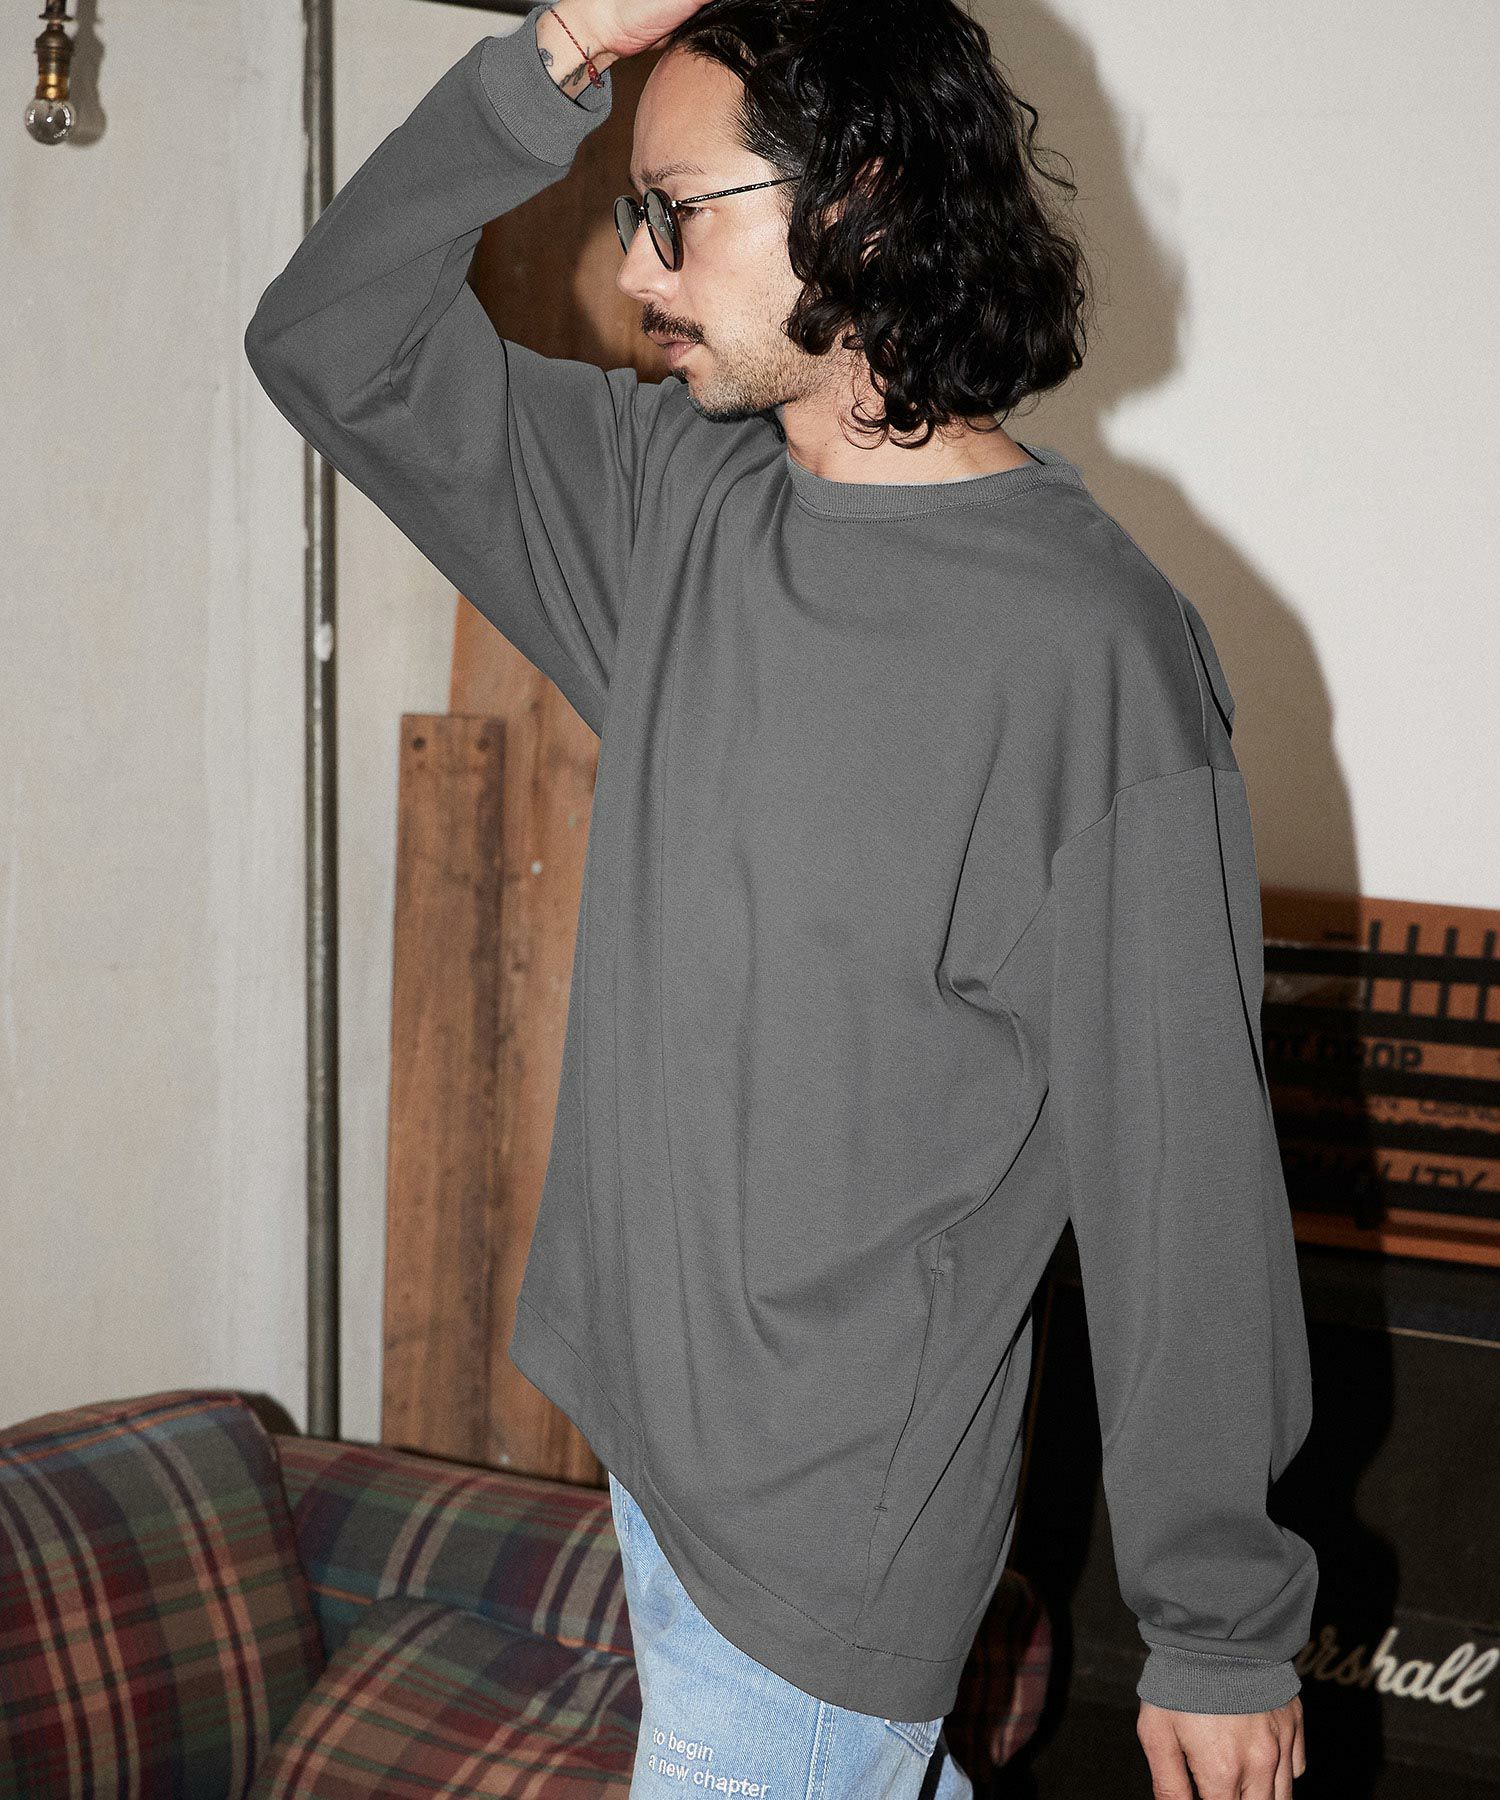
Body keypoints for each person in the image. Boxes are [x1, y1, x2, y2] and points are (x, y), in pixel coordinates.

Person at [243, 0, 1318, 1793]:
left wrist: (1218, 1624)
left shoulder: (1091, 654)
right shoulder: (677, 505)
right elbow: (328, 339)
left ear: (863, 202)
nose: (633, 266)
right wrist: (562, 47)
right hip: (662, 1459)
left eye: (677, 212)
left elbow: (1182, 1167)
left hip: (822, 1545)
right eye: (633, 212)